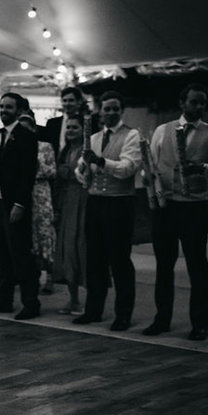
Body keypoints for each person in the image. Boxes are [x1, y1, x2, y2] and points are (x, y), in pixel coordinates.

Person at [145, 83, 208, 340]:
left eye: (203, 103)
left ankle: (200, 323)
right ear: (182, 102)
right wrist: (152, 188)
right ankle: (162, 319)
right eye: (194, 102)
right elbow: (153, 165)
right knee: (164, 265)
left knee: (197, 265)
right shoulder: (162, 130)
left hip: (194, 207)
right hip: (166, 206)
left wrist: (201, 168)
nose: (199, 107)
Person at [73, 91, 142, 331]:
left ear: (121, 110)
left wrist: (100, 162)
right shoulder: (92, 138)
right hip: (95, 202)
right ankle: (93, 309)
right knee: (95, 259)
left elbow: (127, 168)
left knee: (120, 260)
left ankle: (123, 314)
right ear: (100, 112)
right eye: (107, 109)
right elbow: (82, 174)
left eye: (115, 108)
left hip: (119, 203)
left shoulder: (132, 135)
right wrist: (83, 171)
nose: (111, 112)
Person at [0, 92, 41, 320]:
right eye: (1, 106)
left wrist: (20, 204)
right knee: (2, 254)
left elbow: (27, 173)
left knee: (21, 255)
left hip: (13, 204)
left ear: (19, 109)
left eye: (9, 107)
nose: (4, 110)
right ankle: (4, 300)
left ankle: (31, 303)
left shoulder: (26, 136)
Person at [54, 116, 88, 314]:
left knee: (82, 248)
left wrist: (66, 172)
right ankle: (73, 299)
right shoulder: (65, 151)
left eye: (75, 127)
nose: (71, 130)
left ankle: (90, 298)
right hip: (67, 202)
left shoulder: (87, 150)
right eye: (69, 127)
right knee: (67, 250)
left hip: (84, 201)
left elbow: (81, 174)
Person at [18, 110, 56, 294]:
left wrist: (34, 168)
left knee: (44, 232)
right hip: (22, 193)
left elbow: (52, 171)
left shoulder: (45, 146)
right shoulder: (15, 145)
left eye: (27, 128)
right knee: (27, 235)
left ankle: (50, 275)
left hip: (40, 191)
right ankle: (30, 276)